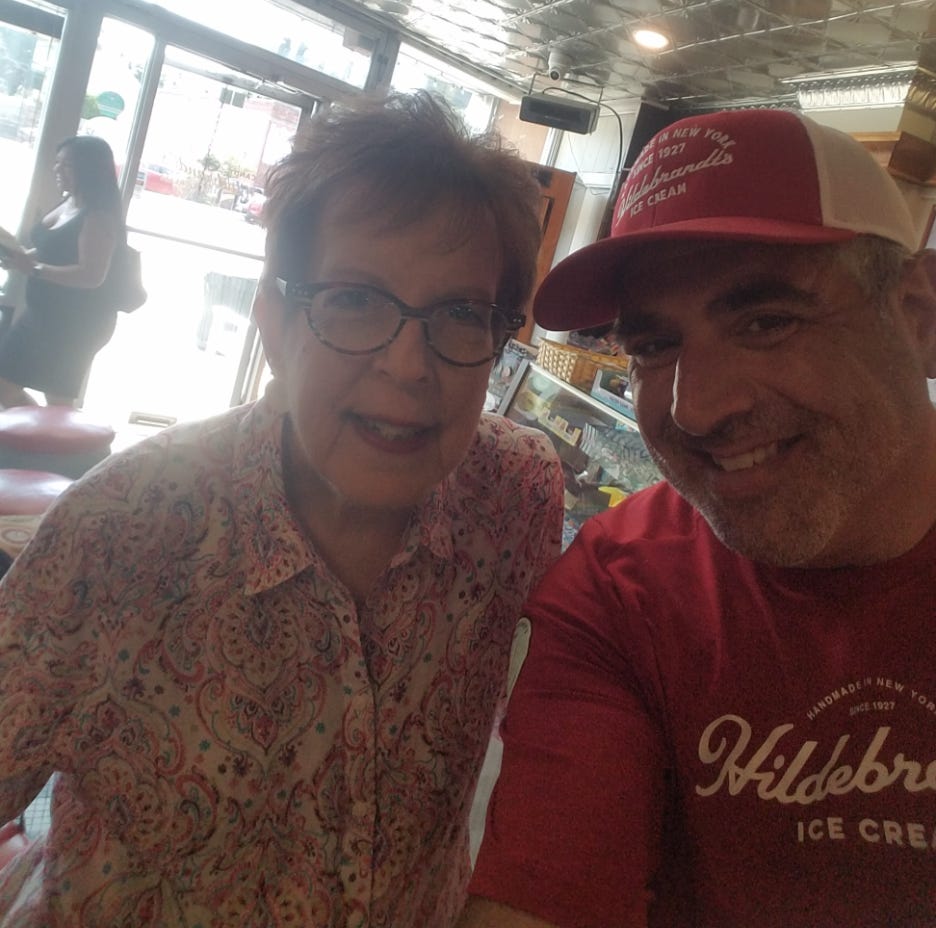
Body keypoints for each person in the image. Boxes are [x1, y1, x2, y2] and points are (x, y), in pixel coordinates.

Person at [0, 92, 564, 927]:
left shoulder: (514, 494)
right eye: (355, 300)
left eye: (459, 314)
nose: (409, 367)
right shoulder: (124, 529)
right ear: (271, 318)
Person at [458, 107, 936, 928]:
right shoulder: (619, 588)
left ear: (916, 316)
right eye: (654, 347)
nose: (696, 408)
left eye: (767, 322)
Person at [0, 135, 125, 407]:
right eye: (57, 163)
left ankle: (50, 432)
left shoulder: (98, 217)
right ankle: (38, 430)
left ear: (89, 170)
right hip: (43, 315)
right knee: (4, 386)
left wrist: (35, 269)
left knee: (57, 401)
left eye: (66, 165)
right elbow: (53, 247)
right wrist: (20, 257)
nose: (56, 169)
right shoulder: (69, 202)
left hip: (75, 324)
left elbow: (91, 275)